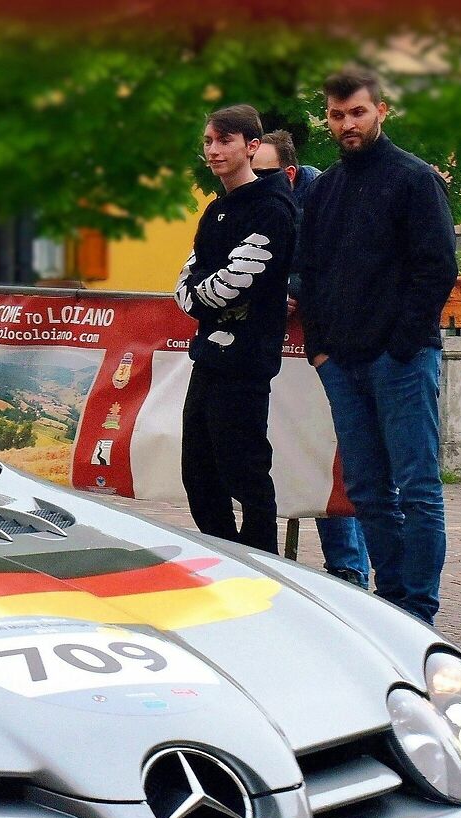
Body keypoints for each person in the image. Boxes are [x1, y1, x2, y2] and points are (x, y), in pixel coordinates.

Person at [294, 65, 459, 623]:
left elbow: (436, 269)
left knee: (416, 488)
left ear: (380, 111)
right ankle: (392, 604)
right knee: (366, 490)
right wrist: (321, 351)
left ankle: (419, 609)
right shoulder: (324, 193)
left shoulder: (415, 180)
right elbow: (309, 274)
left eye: (358, 112)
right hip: (342, 363)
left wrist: (403, 344)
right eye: (337, 115)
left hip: (402, 361)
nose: (347, 124)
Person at [172, 105, 295, 554]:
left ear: (251, 146)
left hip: (246, 361)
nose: (213, 150)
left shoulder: (273, 208)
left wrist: (200, 296)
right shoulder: (215, 210)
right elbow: (188, 279)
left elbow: (235, 282)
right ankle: (225, 553)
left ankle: (263, 559)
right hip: (207, 358)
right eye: (208, 141)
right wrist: (199, 296)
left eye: (224, 140)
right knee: (198, 469)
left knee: (245, 470)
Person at [256, 129, 368, 586]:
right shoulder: (252, 199)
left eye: (263, 173)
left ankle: (348, 570)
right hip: (272, 352)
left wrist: (290, 290)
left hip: (326, 348)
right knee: (287, 455)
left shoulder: (324, 199)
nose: (254, 180)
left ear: (288, 172)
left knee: (326, 457)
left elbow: (336, 263)